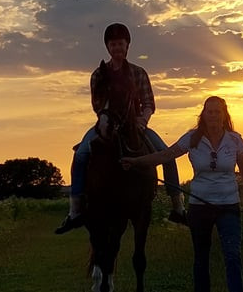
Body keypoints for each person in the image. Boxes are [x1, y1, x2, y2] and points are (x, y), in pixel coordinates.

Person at [55, 22, 186, 234]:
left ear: (127, 46)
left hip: (135, 125)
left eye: (121, 44)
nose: (117, 48)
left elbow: (149, 103)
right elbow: (97, 104)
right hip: (107, 123)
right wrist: (107, 122)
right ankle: (75, 211)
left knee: (167, 155)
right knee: (80, 155)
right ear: (108, 47)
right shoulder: (98, 74)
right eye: (113, 44)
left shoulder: (138, 73)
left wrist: (142, 121)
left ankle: (178, 207)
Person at [121, 96, 243, 292]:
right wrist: (136, 162)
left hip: (228, 206)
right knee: (201, 258)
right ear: (204, 114)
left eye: (217, 111)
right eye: (210, 111)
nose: (213, 115)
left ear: (224, 114)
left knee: (233, 256)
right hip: (199, 207)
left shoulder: (235, 140)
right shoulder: (192, 138)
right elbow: (165, 155)